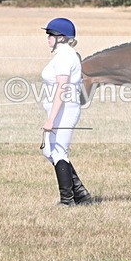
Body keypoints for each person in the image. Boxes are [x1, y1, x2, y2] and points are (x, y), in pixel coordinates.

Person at [40, 17, 91, 206]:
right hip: (61, 109)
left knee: (58, 151)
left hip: (64, 110)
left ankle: (67, 200)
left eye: (50, 34)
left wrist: (51, 119)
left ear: (60, 37)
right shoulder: (62, 54)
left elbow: (61, 88)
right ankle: (81, 194)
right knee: (49, 152)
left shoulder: (64, 56)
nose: (47, 38)